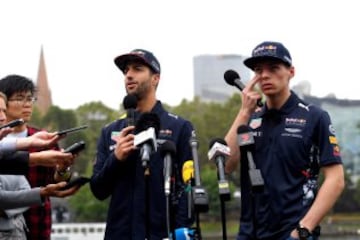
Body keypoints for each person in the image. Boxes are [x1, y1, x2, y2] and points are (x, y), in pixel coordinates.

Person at [224, 41, 345, 240]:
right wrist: (244, 112)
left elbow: (336, 179)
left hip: (293, 233)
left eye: (273, 68)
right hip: (249, 233)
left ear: (291, 72)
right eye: (258, 70)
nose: (264, 75)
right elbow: (226, 166)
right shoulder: (249, 119)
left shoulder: (314, 117)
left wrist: (303, 229)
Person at [90, 49, 194, 239]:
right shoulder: (110, 131)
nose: (129, 75)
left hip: (164, 234)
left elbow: (189, 189)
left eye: (137, 69)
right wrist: (116, 158)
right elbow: (98, 190)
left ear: (156, 78)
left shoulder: (180, 127)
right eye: (126, 71)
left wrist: (178, 233)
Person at [0, 75, 73, 240]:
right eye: (19, 98)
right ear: (4, 101)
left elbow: (60, 184)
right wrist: (37, 158)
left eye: (30, 98)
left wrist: (63, 168)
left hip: (36, 224)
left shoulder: (42, 139)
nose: (27, 104)